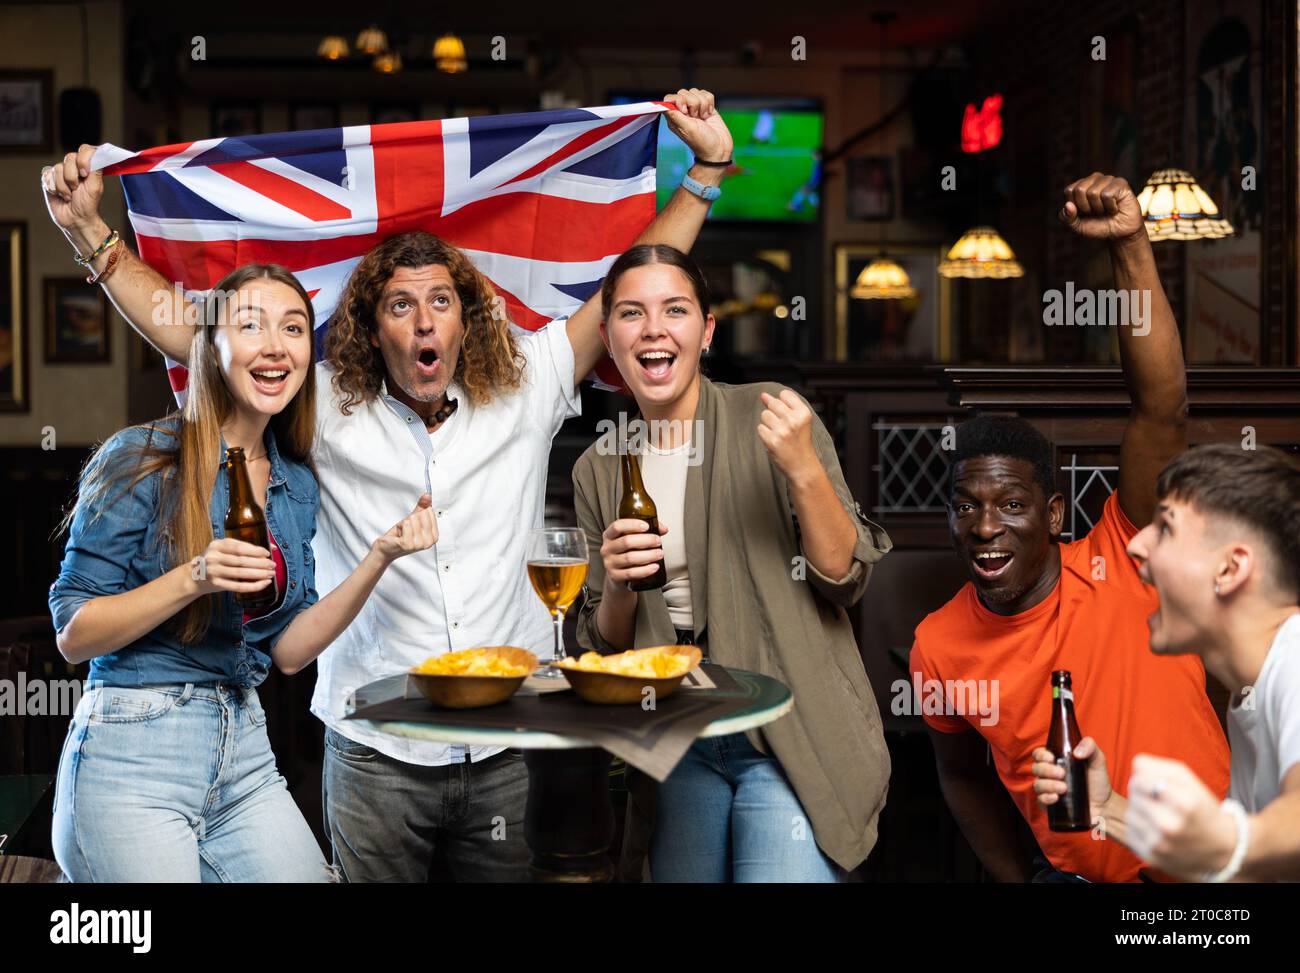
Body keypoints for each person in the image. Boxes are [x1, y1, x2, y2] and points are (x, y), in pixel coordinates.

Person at [42, 89, 733, 881]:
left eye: (441, 300)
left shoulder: (532, 381)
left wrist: (705, 170)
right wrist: (91, 233)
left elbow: (624, 290)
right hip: (376, 746)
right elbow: (196, 334)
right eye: (401, 305)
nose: (424, 320)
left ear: (467, 318)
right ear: (373, 327)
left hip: (509, 741)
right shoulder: (323, 403)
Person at [46, 262, 437, 882]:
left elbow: (286, 652)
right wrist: (194, 576)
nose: (276, 346)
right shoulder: (145, 458)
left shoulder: (296, 482)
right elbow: (74, 632)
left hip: (244, 747)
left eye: (294, 328)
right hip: (132, 751)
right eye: (251, 325)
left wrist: (379, 558)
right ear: (212, 346)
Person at [908, 172, 1231, 883]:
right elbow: (960, 775)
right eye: (966, 506)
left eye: (1011, 505)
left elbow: (1162, 409)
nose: (986, 526)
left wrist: (1130, 244)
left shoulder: (1128, 551)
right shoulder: (939, 643)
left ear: (1054, 514)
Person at [571, 244, 892, 882]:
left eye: (676, 310)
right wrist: (619, 585)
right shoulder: (600, 467)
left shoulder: (768, 414)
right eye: (632, 314)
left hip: (788, 727)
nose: (654, 329)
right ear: (609, 338)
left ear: (707, 330)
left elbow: (844, 577)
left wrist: (802, 468)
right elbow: (603, 650)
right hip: (677, 738)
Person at [1032, 444, 1300, 882]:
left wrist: (1222, 838)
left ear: (1230, 568)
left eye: (1166, 528)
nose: (1137, 544)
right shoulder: (1253, 692)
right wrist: (1107, 809)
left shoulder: (1296, 662)